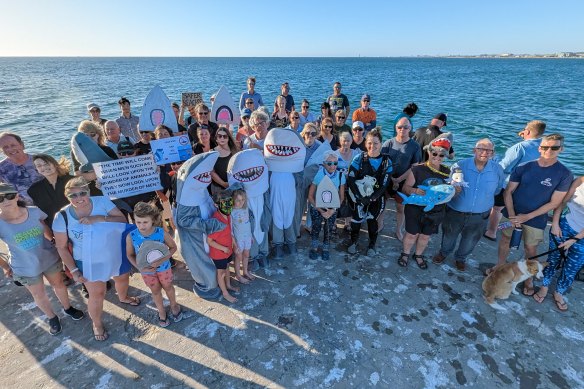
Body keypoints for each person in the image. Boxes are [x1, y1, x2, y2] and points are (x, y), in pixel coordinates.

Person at [53, 177, 138, 341]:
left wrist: (99, 219)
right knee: (98, 293)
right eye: (73, 196)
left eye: (82, 193)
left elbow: (122, 220)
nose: (79, 198)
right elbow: (62, 247)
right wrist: (74, 270)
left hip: (114, 253)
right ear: (67, 197)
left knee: (122, 278)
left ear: (89, 192)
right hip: (87, 260)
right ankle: (97, 324)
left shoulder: (102, 202)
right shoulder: (61, 217)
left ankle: (123, 297)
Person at [0, 183, 85, 336]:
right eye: (0, 198)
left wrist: (53, 240)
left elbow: (44, 226)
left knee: (58, 284)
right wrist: (6, 267)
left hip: (49, 257)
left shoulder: (34, 211)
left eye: (9, 196)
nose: (6, 201)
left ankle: (68, 308)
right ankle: (52, 317)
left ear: (17, 196)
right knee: (38, 294)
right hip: (24, 266)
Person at [496, 133, 573, 295]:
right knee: (505, 239)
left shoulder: (564, 174)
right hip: (512, 213)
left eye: (554, 147)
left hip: (536, 218)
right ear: (539, 148)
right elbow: (508, 191)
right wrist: (511, 214)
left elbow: (554, 203)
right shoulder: (524, 167)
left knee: (531, 249)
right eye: (545, 147)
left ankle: (529, 278)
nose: (549, 150)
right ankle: (499, 267)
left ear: (561, 149)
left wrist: (526, 217)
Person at [431, 139, 505, 271]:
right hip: (455, 211)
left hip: (480, 215)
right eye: (481, 149)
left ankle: (460, 258)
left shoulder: (498, 170)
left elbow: (498, 189)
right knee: (449, 235)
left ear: (493, 153)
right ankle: (443, 253)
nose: (485, 152)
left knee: (470, 240)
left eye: (489, 150)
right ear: (474, 150)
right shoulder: (459, 165)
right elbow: (450, 186)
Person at [484, 120, 546, 240]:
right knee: (515, 209)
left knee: (497, 208)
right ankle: (514, 230)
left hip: (511, 184)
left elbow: (505, 166)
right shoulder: (545, 147)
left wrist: (493, 161)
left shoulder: (520, 147)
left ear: (527, 131)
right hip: (530, 186)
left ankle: (491, 232)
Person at [126, 202, 183, 327]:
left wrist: (163, 259)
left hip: (164, 268)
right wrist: (139, 266)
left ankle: (174, 305)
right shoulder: (132, 236)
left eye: (145, 222)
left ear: (152, 220)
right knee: (155, 290)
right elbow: (129, 254)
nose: (141, 225)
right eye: (138, 222)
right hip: (147, 272)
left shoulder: (160, 232)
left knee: (168, 286)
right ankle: (161, 311)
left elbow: (173, 247)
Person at [399, 137, 452, 269]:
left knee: (425, 237)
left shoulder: (448, 172)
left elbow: (450, 193)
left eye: (441, 155)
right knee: (411, 234)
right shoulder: (417, 169)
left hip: (435, 211)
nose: (437, 157)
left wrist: (456, 190)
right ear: (429, 152)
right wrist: (415, 190)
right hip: (415, 209)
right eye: (435, 153)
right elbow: (405, 189)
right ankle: (405, 253)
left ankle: (418, 255)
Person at [534, 176, 584, 311]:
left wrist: (574, 240)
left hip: (582, 236)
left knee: (572, 267)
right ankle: (544, 286)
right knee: (553, 259)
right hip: (565, 225)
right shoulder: (579, 181)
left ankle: (559, 291)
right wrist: (555, 224)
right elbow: (562, 203)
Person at [346, 129, 393, 255]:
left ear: (381, 144)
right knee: (356, 219)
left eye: (376, 143)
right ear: (366, 144)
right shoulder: (358, 158)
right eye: (370, 143)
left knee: (372, 220)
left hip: (377, 197)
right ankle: (353, 241)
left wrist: (372, 198)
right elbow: (351, 179)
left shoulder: (386, 161)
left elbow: (384, 184)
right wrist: (359, 197)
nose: (372, 146)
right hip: (359, 196)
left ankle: (372, 245)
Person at [381, 116, 422, 241]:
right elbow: (382, 162)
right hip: (387, 180)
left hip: (404, 182)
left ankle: (398, 229)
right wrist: (391, 178)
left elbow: (414, 166)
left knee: (400, 207)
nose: (402, 129)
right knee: (382, 204)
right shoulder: (388, 143)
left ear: (410, 128)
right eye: (399, 127)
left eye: (405, 127)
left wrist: (399, 179)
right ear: (395, 128)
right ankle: (379, 224)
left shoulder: (415, 146)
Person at [308, 151, 345, 261]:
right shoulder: (319, 175)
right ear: (324, 164)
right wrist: (320, 209)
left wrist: (332, 210)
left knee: (328, 228)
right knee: (316, 227)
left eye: (335, 163)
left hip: (332, 208)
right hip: (317, 207)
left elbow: (341, 197)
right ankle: (314, 247)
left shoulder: (340, 176)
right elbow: (310, 196)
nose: (333, 166)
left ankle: (325, 248)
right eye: (329, 163)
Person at [206, 190, 239, 303]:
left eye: (230, 202)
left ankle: (228, 285)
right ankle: (225, 293)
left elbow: (229, 232)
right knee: (221, 273)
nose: (229, 206)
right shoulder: (215, 221)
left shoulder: (228, 215)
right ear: (216, 205)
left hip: (228, 250)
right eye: (225, 203)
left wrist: (233, 243)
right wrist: (223, 248)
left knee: (227, 268)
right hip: (219, 253)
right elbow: (209, 241)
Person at [28, 154, 74, 229]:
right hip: (55, 228)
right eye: (39, 166)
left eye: (46, 163)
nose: (43, 167)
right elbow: (41, 215)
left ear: (55, 164)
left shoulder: (73, 181)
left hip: (78, 223)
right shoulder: (33, 190)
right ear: (37, 169)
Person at [0, 132, 44, 205]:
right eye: (5, 147)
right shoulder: (1, 169)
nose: (10, 149)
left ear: (22, 145)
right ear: (2, 151)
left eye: (13, 145)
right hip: (24, 210)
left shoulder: (40, 160)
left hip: (50, 204)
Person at [231, 189, 255, 283]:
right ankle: (238, 275)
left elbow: (248, 223)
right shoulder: (232, 212)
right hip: (238, 239)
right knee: (238, 257)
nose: (241, 202)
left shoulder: (245, 209)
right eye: (238, 200)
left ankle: (245, 271)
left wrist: (251, 235)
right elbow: (231, 229)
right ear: (233, 200)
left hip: (247, 237)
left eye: (243, 200)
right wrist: (234, 243)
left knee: (246, 255)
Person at [210, 127, 239, 195]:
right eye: (219, 136)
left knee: (235, 206)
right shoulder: (211, 152)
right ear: (216, 138)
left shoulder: (235, 151)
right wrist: (223, 184)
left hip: (234, 186)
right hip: (218, 188)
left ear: (228, 138)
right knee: (221, 206)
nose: (222, 138)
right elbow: (211, 172)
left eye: (225, 136)